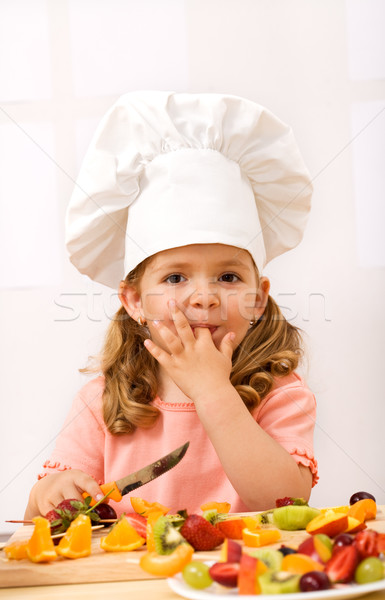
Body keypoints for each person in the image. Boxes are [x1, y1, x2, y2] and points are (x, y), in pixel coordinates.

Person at [25, 91, 317, 519]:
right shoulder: (103, 400)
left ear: (258, 298)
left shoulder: (280, 393)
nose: (204, 296)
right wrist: (49, 493)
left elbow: (285, 506)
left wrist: (213, 392)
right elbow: (41, 524)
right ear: (134, 301)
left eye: (229, 277)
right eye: (176, 277)